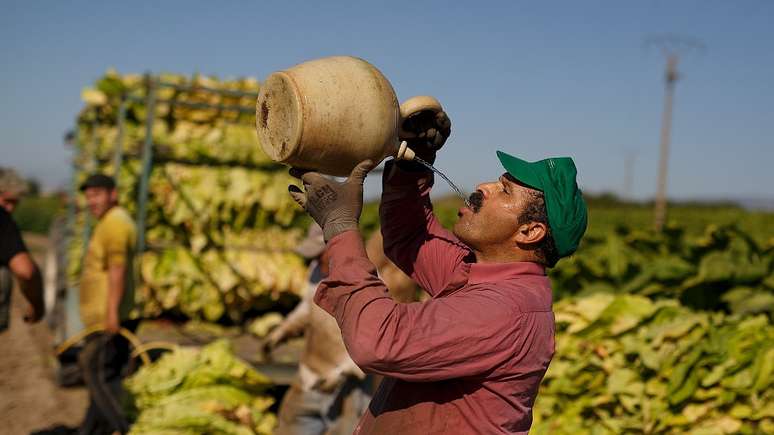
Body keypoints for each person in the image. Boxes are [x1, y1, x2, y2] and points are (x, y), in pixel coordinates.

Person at [286, 110, 587, 434]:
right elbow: (411, 235)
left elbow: (379, 341)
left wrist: (340, 228)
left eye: (504, 190)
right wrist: (413, 162)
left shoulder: (504, 310)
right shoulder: (475, 272)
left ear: (530, 232)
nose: (483, 186)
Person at [266, 224, 418, 435]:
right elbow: (307, 305)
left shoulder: (370, 288)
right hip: (312, 375)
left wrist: (341, 371)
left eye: (319, 255)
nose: (315, 261)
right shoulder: (316, 271)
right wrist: (284, 329)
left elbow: (374, 344)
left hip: (349, 384)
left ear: (336, 250)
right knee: (292, 423)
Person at [76, 174, 137, 435]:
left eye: (97, 194)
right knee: (99, 380)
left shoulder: (115, 224)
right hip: (102, 319)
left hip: (108, 320)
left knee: (99, 375)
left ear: (113, 194)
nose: (92, 201)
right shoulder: (109, 222)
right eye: (88, 196)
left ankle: (130, 429)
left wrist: (111, 314)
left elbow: (117, 270)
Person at [0, 167, 44, 332]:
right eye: (6, 201)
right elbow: (25, 271)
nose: (10, 209)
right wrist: (37, 304)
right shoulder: (2, 217)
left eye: (14, 203)